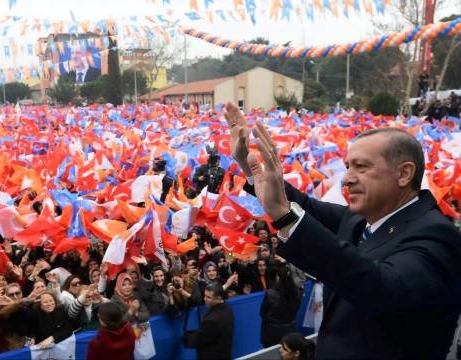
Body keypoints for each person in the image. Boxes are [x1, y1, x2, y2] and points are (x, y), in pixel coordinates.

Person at [225, 102, 461, 359]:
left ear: (404, 174)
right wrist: (252, 170)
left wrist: (284, 214)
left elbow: (380, 288)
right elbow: (305, 208)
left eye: (361, 167)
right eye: (347, 166)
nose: (347, 178)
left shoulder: (437, 236)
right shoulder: (359, 221)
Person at [183, 283, 234, 360]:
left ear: (219, 298)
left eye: (208, 297)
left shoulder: (211, 320)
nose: (204, 299)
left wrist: (186, 338)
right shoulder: (228, 310)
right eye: (205, 296)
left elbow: (199, 340)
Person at [260, 265, 302, 347]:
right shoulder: (296, 292)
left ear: (278, 277)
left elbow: (262, 313)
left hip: (271, 334)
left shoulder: (270, 294)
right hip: (289, 332)